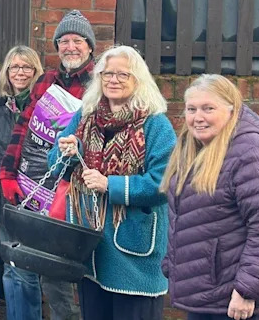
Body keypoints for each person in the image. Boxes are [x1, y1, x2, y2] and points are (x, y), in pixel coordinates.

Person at [47, 45, 176, 320]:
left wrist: (111, 185)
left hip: (133, 253)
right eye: (107, 74)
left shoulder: (156, 125)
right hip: (91, 250)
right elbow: (54, 165)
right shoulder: (86, 116)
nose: (113, 80)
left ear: (138, 80)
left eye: (122, 75)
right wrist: (68, 150)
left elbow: (165, 183)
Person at [161, 75, 259, 320]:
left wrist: (247, 290)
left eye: (208, 108)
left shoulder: (249, 152)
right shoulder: (192, 148)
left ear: (232, 111)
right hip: (205, 294)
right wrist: (173, 264)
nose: (198, 117)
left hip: (236, 300)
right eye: (191, 109)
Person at [0, 11, 94, 320]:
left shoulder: (99, 84)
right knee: (22, 264)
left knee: (60, 279)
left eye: (77, 41)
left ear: (89, 46)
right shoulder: (46, 81)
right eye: (64, 41)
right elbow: (23, 128)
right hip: (30, 188)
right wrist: (7, 174)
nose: (70, 47)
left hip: (72, 194)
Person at [0, 46, 77, 320]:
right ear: (6, 71)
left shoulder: (46, 108)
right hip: (5, 193)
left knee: (28, 271)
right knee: (11, 267)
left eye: (27, 67)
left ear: (37, 73)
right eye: (14, 67)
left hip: (39, 195)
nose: (20, 73)